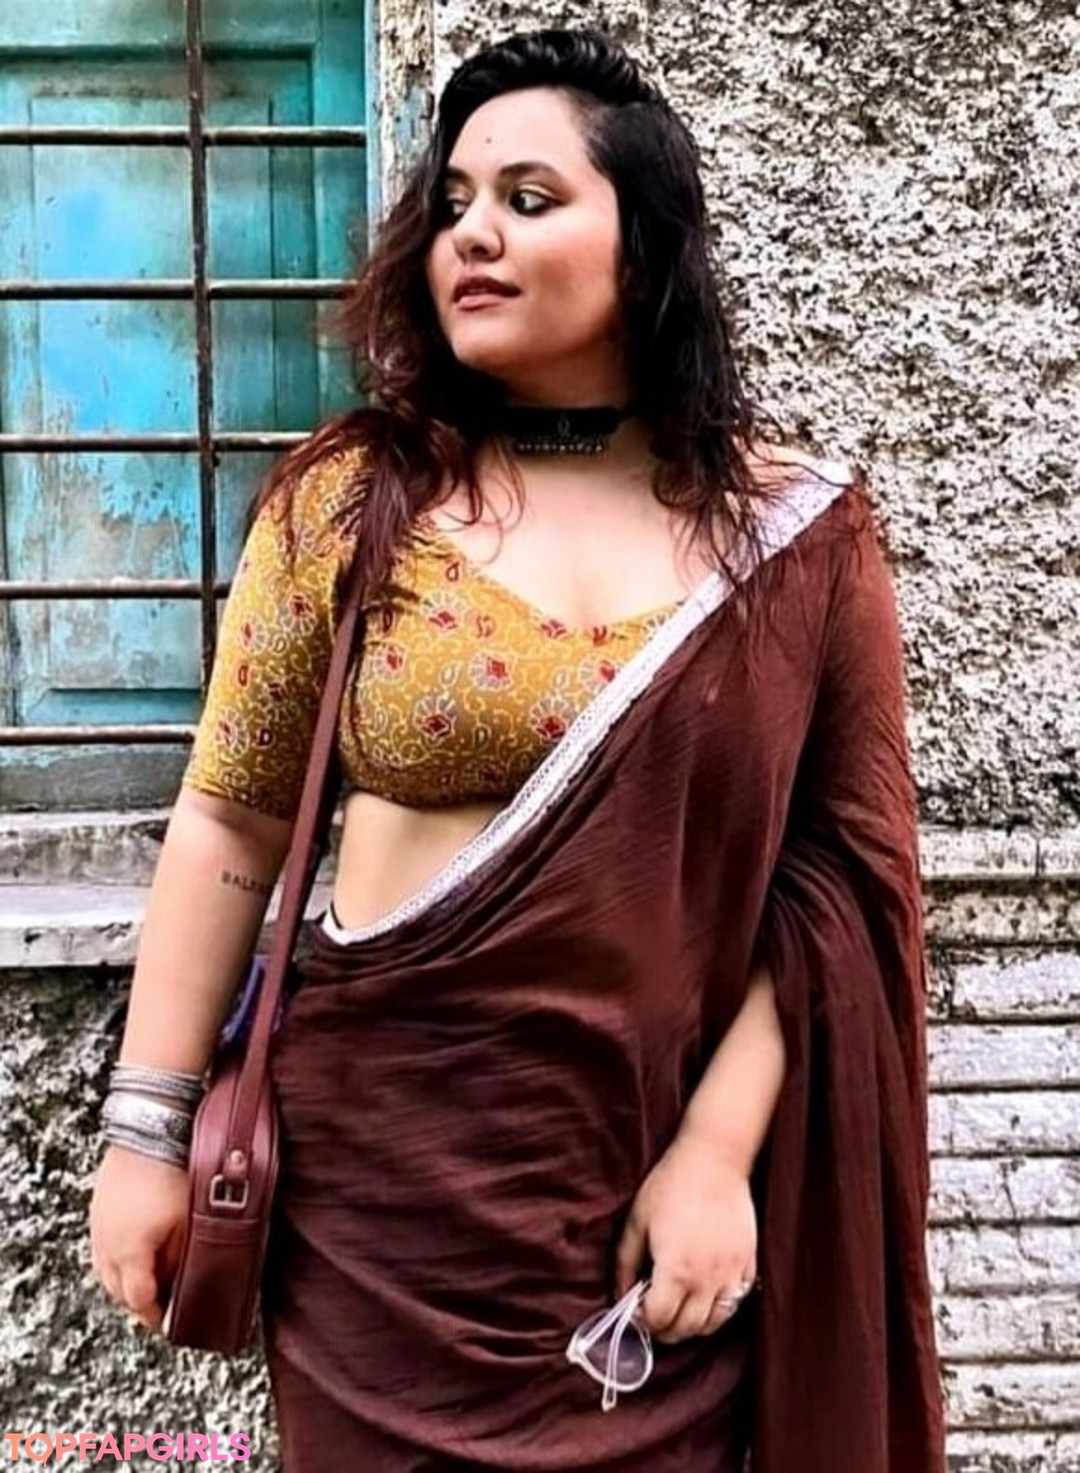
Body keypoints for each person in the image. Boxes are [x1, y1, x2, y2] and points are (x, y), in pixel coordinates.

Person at [90, 27, 945, 1473]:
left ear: (645, 243)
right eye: (453, 205)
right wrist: (145, 1133)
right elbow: (232, 824)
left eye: (530, 199)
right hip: (376, 1218)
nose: (472, 235)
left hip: (643, 1209)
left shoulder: (796, 539)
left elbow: (836, 900)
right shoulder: (352, 502)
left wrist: (717, 1157)